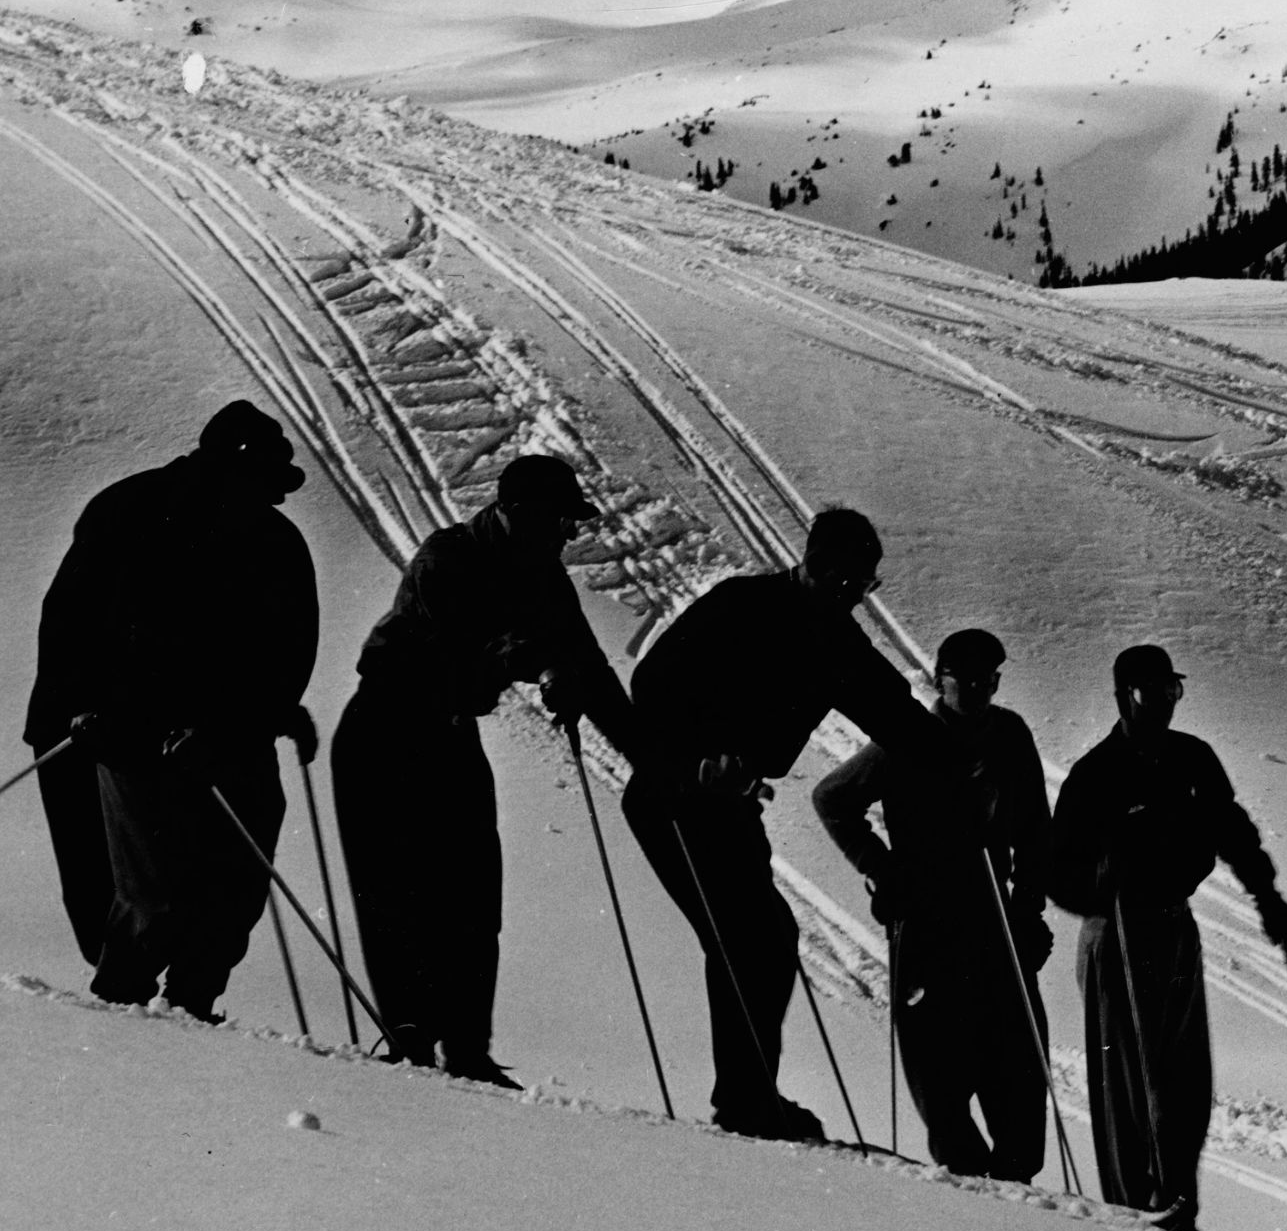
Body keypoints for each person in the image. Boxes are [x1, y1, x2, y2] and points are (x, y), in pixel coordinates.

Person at [625, 507, 933, 1141]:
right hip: (675, 794)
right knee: (750, 939)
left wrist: (959, 754)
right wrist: (699, 754)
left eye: (865, 588)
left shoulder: (837, 640)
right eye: (847, 584)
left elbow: (894, 714)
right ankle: (746, 1104)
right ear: (813, 567)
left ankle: (748, 1097)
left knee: (764, 936)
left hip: (731, 803)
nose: (854, 599)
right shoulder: (742, 604)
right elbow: (652, 682)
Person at [331, 454, 636, 1086]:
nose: (566, 535)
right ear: (515, 514)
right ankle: (410, 1038)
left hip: (446, 731)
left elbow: (592, 670)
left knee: (473, 891)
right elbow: (455, 658)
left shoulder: (547, 578)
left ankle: (465, 1046)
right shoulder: (448, 559)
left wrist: (649, 759)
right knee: (396, 891)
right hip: (385, 727)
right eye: (560, 521)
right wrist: (533, 662)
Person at [20, 402, 319, 1018]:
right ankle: (124, 1007)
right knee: (148, 888)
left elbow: (288, 649)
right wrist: (85, 706)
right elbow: (72, 621)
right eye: (266, 481)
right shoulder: (131, 510)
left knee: (239, 877)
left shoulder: (275, 540)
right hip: (118, 726)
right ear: (228, 469)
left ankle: (193, 1004)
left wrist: (270, 712)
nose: (278, 498)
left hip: (227, 731)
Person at [1046, 644, 1287, 1231]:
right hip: (1115, 935)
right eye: (1147, 694)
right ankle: (1136, 1211)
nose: (1161, 705)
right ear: (1121, 698)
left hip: (1173, 926)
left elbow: (1232, 831)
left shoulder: (1193, 758)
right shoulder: (1095, 774)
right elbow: (1056, 874)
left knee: (1184, 1077)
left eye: (1171, 692)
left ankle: (1178, 1203)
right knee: (1128, 1081)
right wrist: (1102, 886)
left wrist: (1268, 898)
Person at [810, 628, 1057, 1182]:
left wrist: (1029, 907)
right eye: (964, 678)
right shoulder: (909, 736)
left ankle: (1017, 1185)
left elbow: (1036, 831)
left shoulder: (1010, 734)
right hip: (929, 922)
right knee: (939, 1070)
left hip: (995, 919)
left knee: (1016, 1063)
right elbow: (833, 799)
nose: (976, 689)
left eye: (988, 678)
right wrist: (882, 868)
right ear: (939, 678)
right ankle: (967, 1180)